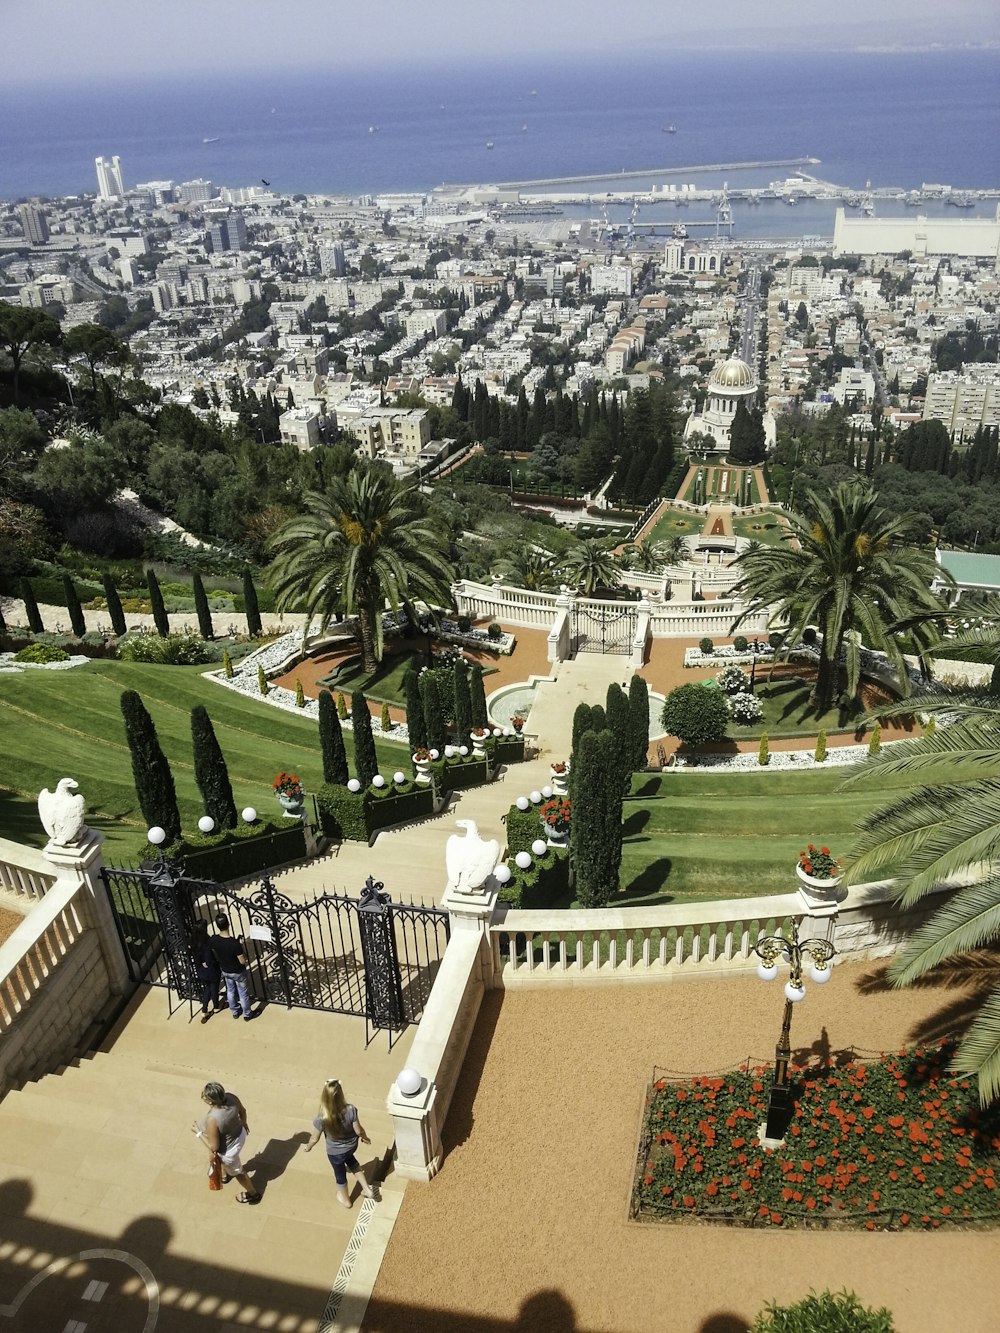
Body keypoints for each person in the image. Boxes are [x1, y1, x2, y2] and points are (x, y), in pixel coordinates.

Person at [304, 1078, 377, 1209]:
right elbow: (358, 1130)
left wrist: (308, 1147)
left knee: (340, 1175)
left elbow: (314, 1138)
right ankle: (367, 1189)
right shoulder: (351, 1109)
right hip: (351, 1146)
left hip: (335, 1152)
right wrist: (365, 1138)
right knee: (353, 1163)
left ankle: (346, 1200)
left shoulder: (322, 1117)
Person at [193, 1082, 261, 1204]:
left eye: (203, 1095)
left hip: (229, 1150)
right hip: (240, 1135)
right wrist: (244, 1123)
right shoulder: (231, 1097)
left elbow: (214, 1147)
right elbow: (243, 1111)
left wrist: (198, 1133)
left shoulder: (212, 1119)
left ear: (210, 1101)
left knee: (239, 1172)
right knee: (228, 1165)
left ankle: (253, 1194)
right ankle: (226, 1175)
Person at [209, 912, 253, 1020]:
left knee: (230, 991)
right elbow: (242, 961)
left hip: (225, 970)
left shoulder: (214, 940)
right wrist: (243, 948)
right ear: (228, 924)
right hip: (238, 971)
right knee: (243, 994)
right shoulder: (234, 943)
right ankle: (247, 1014)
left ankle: (235, 1011)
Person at [191, 919, 222, 1024]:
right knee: (213, 988)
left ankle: (204, 1010)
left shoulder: (194, 942)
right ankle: (216, 1006)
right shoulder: (206, 942)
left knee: (207, 989)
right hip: (211, 971)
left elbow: (197, 960)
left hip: (201, 971)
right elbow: (209, 960)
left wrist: (202, 964)